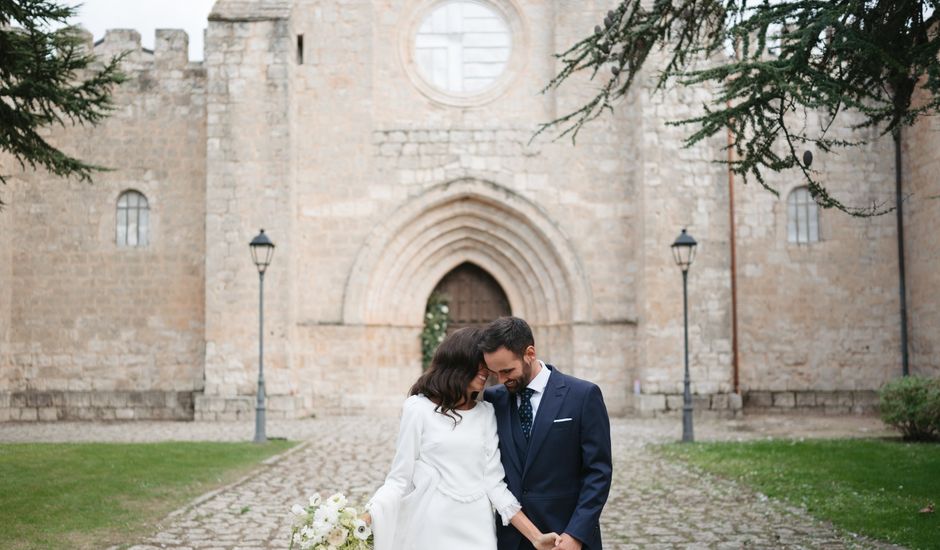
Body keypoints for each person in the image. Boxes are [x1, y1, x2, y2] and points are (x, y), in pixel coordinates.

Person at [363, 327, 560, 550]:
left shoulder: (486, 413)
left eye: (486, 364)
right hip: (430, 529)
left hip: (478, 529)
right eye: (478, 362)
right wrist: (362, 521)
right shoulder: (418, 409)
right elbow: (399, 479)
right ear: (457, 362)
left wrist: (535, 537)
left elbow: (494, 484)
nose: (486, 371)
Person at [481, 317, 612, 550]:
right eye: (495, 373)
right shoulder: (494, 399)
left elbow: (598, 473)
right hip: (513, 539)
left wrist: (576, 534)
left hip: (567, 537)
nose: (502, 380)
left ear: (529, 353)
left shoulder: (583, 395)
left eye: (507, 370)